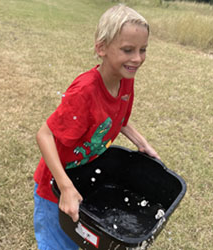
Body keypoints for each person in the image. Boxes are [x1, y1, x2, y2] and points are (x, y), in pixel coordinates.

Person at [33, 4, 160, 250]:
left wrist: (143, 144)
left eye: (142, 49)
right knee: (57, 244)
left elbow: (118, 120)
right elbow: (44, 135)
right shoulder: (84, 92)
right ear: (101, 48)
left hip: (82, 176)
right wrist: (65, 187)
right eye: (127, 50)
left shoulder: (124, 81)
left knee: (78, 238)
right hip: (55, 187)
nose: (137, 58)